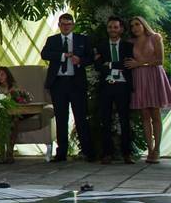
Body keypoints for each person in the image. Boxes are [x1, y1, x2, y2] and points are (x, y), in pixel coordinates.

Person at [40, 13, 94, 162]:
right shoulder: (53, 40)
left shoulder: (82, 40)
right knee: (61, 118)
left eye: (68, 24)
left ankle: (87, 151)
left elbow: (90, 58)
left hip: (76, 82)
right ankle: (61, 152)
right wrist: (63, 56)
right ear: (59, 25)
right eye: (63, 24)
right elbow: (44, 54)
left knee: (81, 117)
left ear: (73, 25)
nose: (66, 27)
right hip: (58, 83)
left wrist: (80, 60)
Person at [125, 16, 170, 164]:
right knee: (144, 114)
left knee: (155, 113)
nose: (135, 28)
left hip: (154, 76)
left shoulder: (155, 37)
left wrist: (140, 63)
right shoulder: (131, 42)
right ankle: (149, 149)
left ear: (144, 24)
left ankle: (157, 149)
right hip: (138, 78)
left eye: (137, 24)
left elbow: (159, 60)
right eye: (132, 26)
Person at [94, 17, 135, 164]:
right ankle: (107, 153)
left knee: (124, 120)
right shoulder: (101, 46)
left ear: (121, 29)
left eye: (116, 27)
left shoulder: (128, 46)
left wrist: (109, 64)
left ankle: (127, 153)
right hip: (106, 86)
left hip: (123, 86)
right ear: (107, 29)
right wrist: (114, 64)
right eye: (110, 27)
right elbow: (98, 66)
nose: (113, 29)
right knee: (105, 120)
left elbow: (127, 64)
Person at [0, 66, 33, 163]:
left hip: (13, 113)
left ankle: (9, 152)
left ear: (7, 76)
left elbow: (16, 100)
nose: (0, 77)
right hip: (2, 113)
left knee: (14, 122)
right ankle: (2, 153)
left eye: (2, 75)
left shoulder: (13, 86)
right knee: (2, 122)